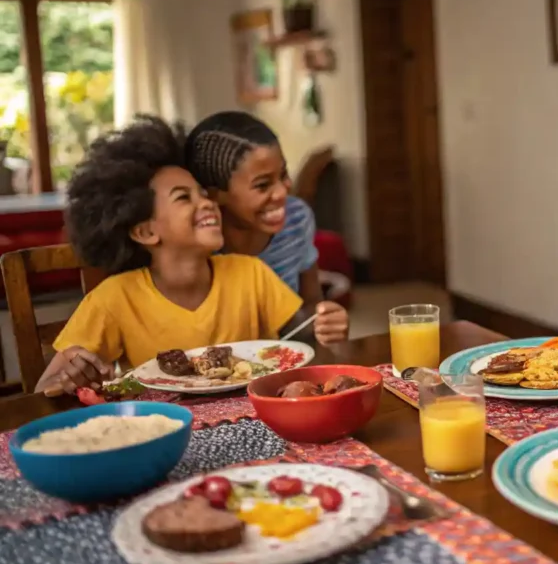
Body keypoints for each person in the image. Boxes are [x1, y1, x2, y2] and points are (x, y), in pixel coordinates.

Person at [36, 116, 350, 395]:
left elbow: (306, 338)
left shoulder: (249, 272)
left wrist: (328, 327)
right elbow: (44, 389)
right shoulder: (113, 299)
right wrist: (68, 378)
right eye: (184, 197)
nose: (207, 203)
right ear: (145, 232)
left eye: (202, 193)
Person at [184, 111, 326, 311]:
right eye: (262, 185)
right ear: (214, 194)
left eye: (283, 174)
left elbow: (311, 302)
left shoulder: (297, 218)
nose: (281, 192)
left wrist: (325, 323)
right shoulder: (198, 243)